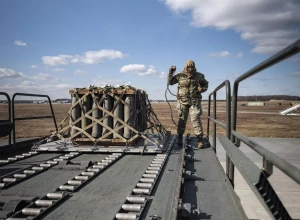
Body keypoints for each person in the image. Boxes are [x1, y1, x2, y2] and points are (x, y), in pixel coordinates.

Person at [167, 60, 209, 148]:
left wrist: (202, 89)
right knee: (182, 120)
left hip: (194, 101)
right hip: (182, 101)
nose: (190, 69)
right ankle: (179, 137)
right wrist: (170, 72)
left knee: (196, 119)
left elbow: (205, 84)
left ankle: (200, 139)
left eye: (192, 67)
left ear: (194, 67)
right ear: (185, 67)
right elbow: (170, 83)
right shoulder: (180, 75)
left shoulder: (199, 76)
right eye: (188, 67)